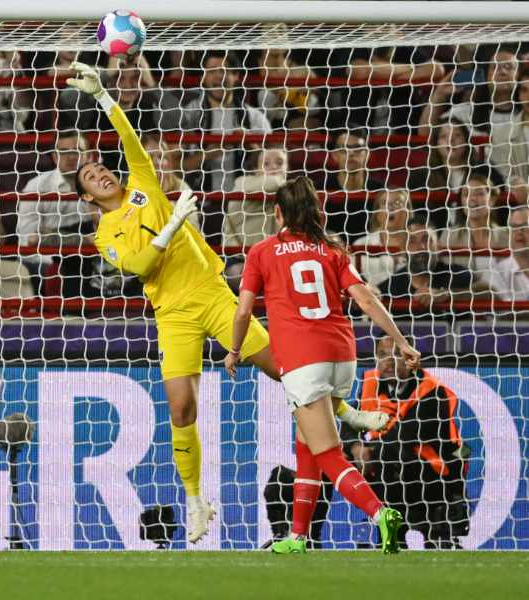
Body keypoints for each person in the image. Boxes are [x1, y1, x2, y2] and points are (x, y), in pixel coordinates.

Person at [66, 63, 385, 545]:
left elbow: (130, 139)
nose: (102, 174)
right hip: (171, 313)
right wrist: (174, 224)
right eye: (92, 177)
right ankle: (196, 501)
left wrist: (104, 98)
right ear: (88, 197)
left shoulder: (142, 186)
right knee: (181, 409)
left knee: (282, 367)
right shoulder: (103, 234)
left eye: (101, 167)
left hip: (213, 295)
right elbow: (138, 267)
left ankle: (341, 408)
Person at [225, 176, 421, 554]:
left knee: (328, 453)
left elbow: (244, 310)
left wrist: (234, 350)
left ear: (277, 212)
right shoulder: (331, 250)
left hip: (302, 360)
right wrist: (400, 341)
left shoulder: (263, 252)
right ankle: (298, 537)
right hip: (342, 356)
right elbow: (365, 300)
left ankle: (380, 515)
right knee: (307, 448)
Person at [359, 336, 470, 548]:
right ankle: (309, 536)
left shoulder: (432, 390)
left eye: (396, 354)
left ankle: (405, 530)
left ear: (411, 359)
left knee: (394, 454)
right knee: (333, 456)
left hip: (434, 473)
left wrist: (368, 450)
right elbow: (349, 424)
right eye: (382, 355)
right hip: (390, 465)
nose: (388, 361)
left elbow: (405, 435)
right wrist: (355, 447)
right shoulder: (369, 384)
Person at [181, 51, 271, 194]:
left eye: (224, 70)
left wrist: (250, 143)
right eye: (211, 71)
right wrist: (210, 152)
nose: (219, 76)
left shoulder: (255, 117)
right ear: (203, 77)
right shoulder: (187, 114)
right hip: (199, 201)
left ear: (236, 76)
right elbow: (175, 167)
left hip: (245, 202)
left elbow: (274, 167)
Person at [18, 130, 94, 292]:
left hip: (93, 263)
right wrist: (85, 241)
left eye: (77, 151)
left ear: (89, 155)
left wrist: (49, 234)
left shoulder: (104, 185)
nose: (72, 157)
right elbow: (30, 240)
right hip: (46, 264)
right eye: (64, 152)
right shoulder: (36, 186)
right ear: (54, 157)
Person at [381, 215, 493, 315]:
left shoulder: (455, 274)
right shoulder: (391, 287)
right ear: (402, 248)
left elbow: (489, 292)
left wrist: (447, 295)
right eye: (412, 241)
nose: (421, 247)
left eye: (426, 240)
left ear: (438, 246)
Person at [408, 118, 484, 229]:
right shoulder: (420, 176)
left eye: (457, 135)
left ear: (466, 140)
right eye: (444, 136)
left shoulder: (483, 171)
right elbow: (416, 215)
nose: (451, 141)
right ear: (436, 143)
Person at [439, 172, 508, 280]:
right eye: (466, 194)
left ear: (492, 200)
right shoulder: (448, 236)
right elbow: (443, 277)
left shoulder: (506, 236)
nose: (472, 199)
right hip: (462, 295)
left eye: (479, 194)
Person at [323, 130, 384, 242]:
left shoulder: (381, 191)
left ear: (367, 154)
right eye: (344, 149)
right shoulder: (320, 189)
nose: (351, 153)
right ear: (334, 155)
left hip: (371, 254)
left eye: (357, 148)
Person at [222, 147, 288, 250]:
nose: (274, 167)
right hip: (237, 255)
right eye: (266, 164)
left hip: (267, 254)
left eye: (279, 163)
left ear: (287, 168)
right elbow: (275, 182)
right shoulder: (243, 182)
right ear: (256, 170)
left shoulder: (284, 193)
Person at [351, 189, 411, 288]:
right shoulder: (360, 244)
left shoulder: (417, 243)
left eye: (397, 203)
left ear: (408, 212)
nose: (390, 208)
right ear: (377, 214)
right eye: (384, 203)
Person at [489, 205, 529, 302]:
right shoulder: (497, 272)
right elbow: (505, 315)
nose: (519, 232)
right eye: (514, 227)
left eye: (525, 226)